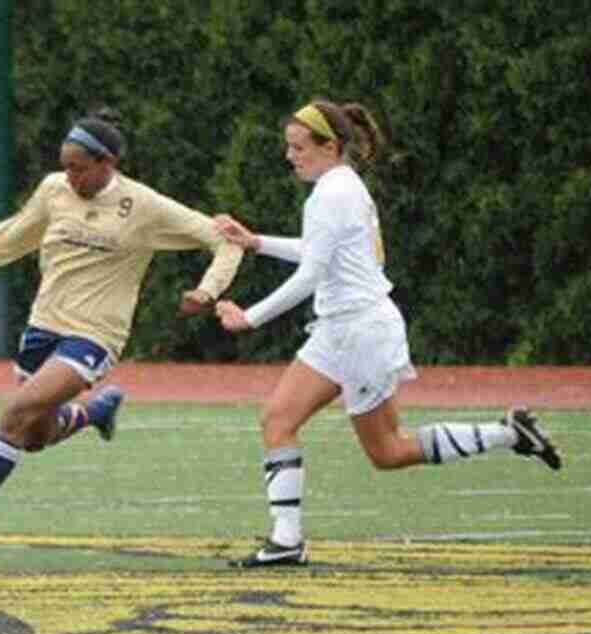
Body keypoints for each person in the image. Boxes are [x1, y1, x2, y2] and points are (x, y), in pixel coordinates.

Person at [213, 99, 561, 568]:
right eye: (288, 147)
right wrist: (256, 243)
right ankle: (286, 539)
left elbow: (313, 273)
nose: (289, 156)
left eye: (298, 147)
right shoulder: (340, 187)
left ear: (330, 146)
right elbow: (321, 252)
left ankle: (507, 434)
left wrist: (249, 318)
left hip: (359, 333)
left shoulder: (332, 193)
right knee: (278, 420)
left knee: (388, 450)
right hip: (343, 330)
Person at [0, 106, 244, 566]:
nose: (69, 176)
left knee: (14, 414)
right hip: (42, 330)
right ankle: (95, 412)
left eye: (78, 167)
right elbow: (8, 238)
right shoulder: (53, 190)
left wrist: (207, 290)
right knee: (33, 436)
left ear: (107, 164)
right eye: (65, 166)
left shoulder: (144, 206)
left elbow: (227, 240)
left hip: (94, 337)